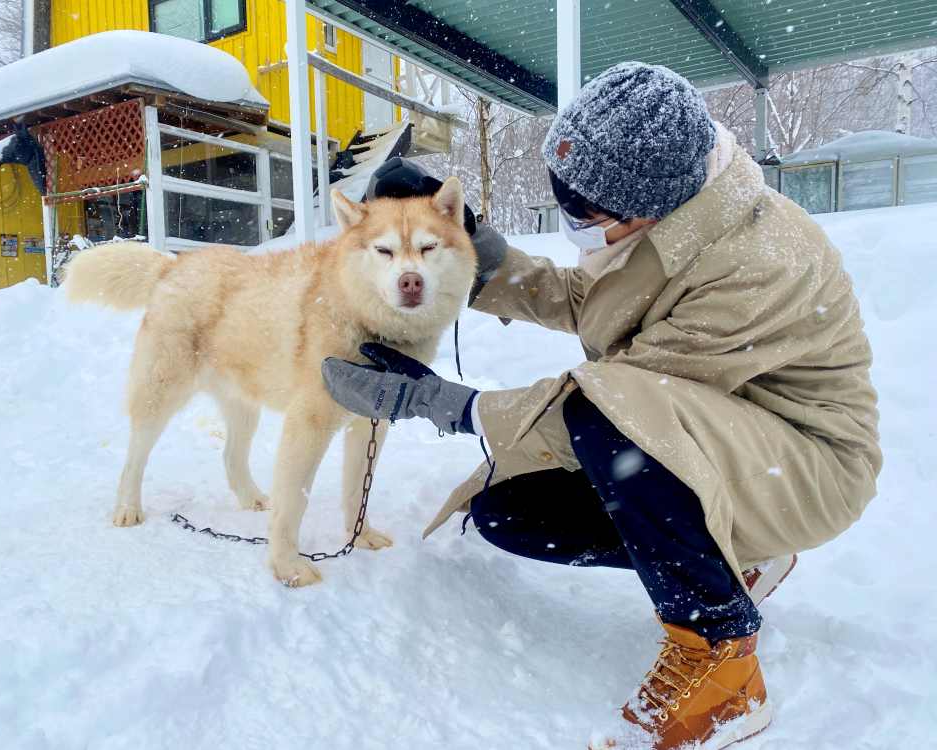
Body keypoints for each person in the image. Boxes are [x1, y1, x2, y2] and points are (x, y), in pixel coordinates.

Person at [322, 62, 881, 750]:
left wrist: (447, 405)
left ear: (647, 203)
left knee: (599, 413)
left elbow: (620, 402)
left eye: (586, 213)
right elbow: (598, 307)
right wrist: (477, 250)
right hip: (716, 438)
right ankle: (741, 555)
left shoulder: (759, 260)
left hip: (802, 462)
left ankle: (720, 659)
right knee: (511, 514)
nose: (574, 225)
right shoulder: (677, 217)